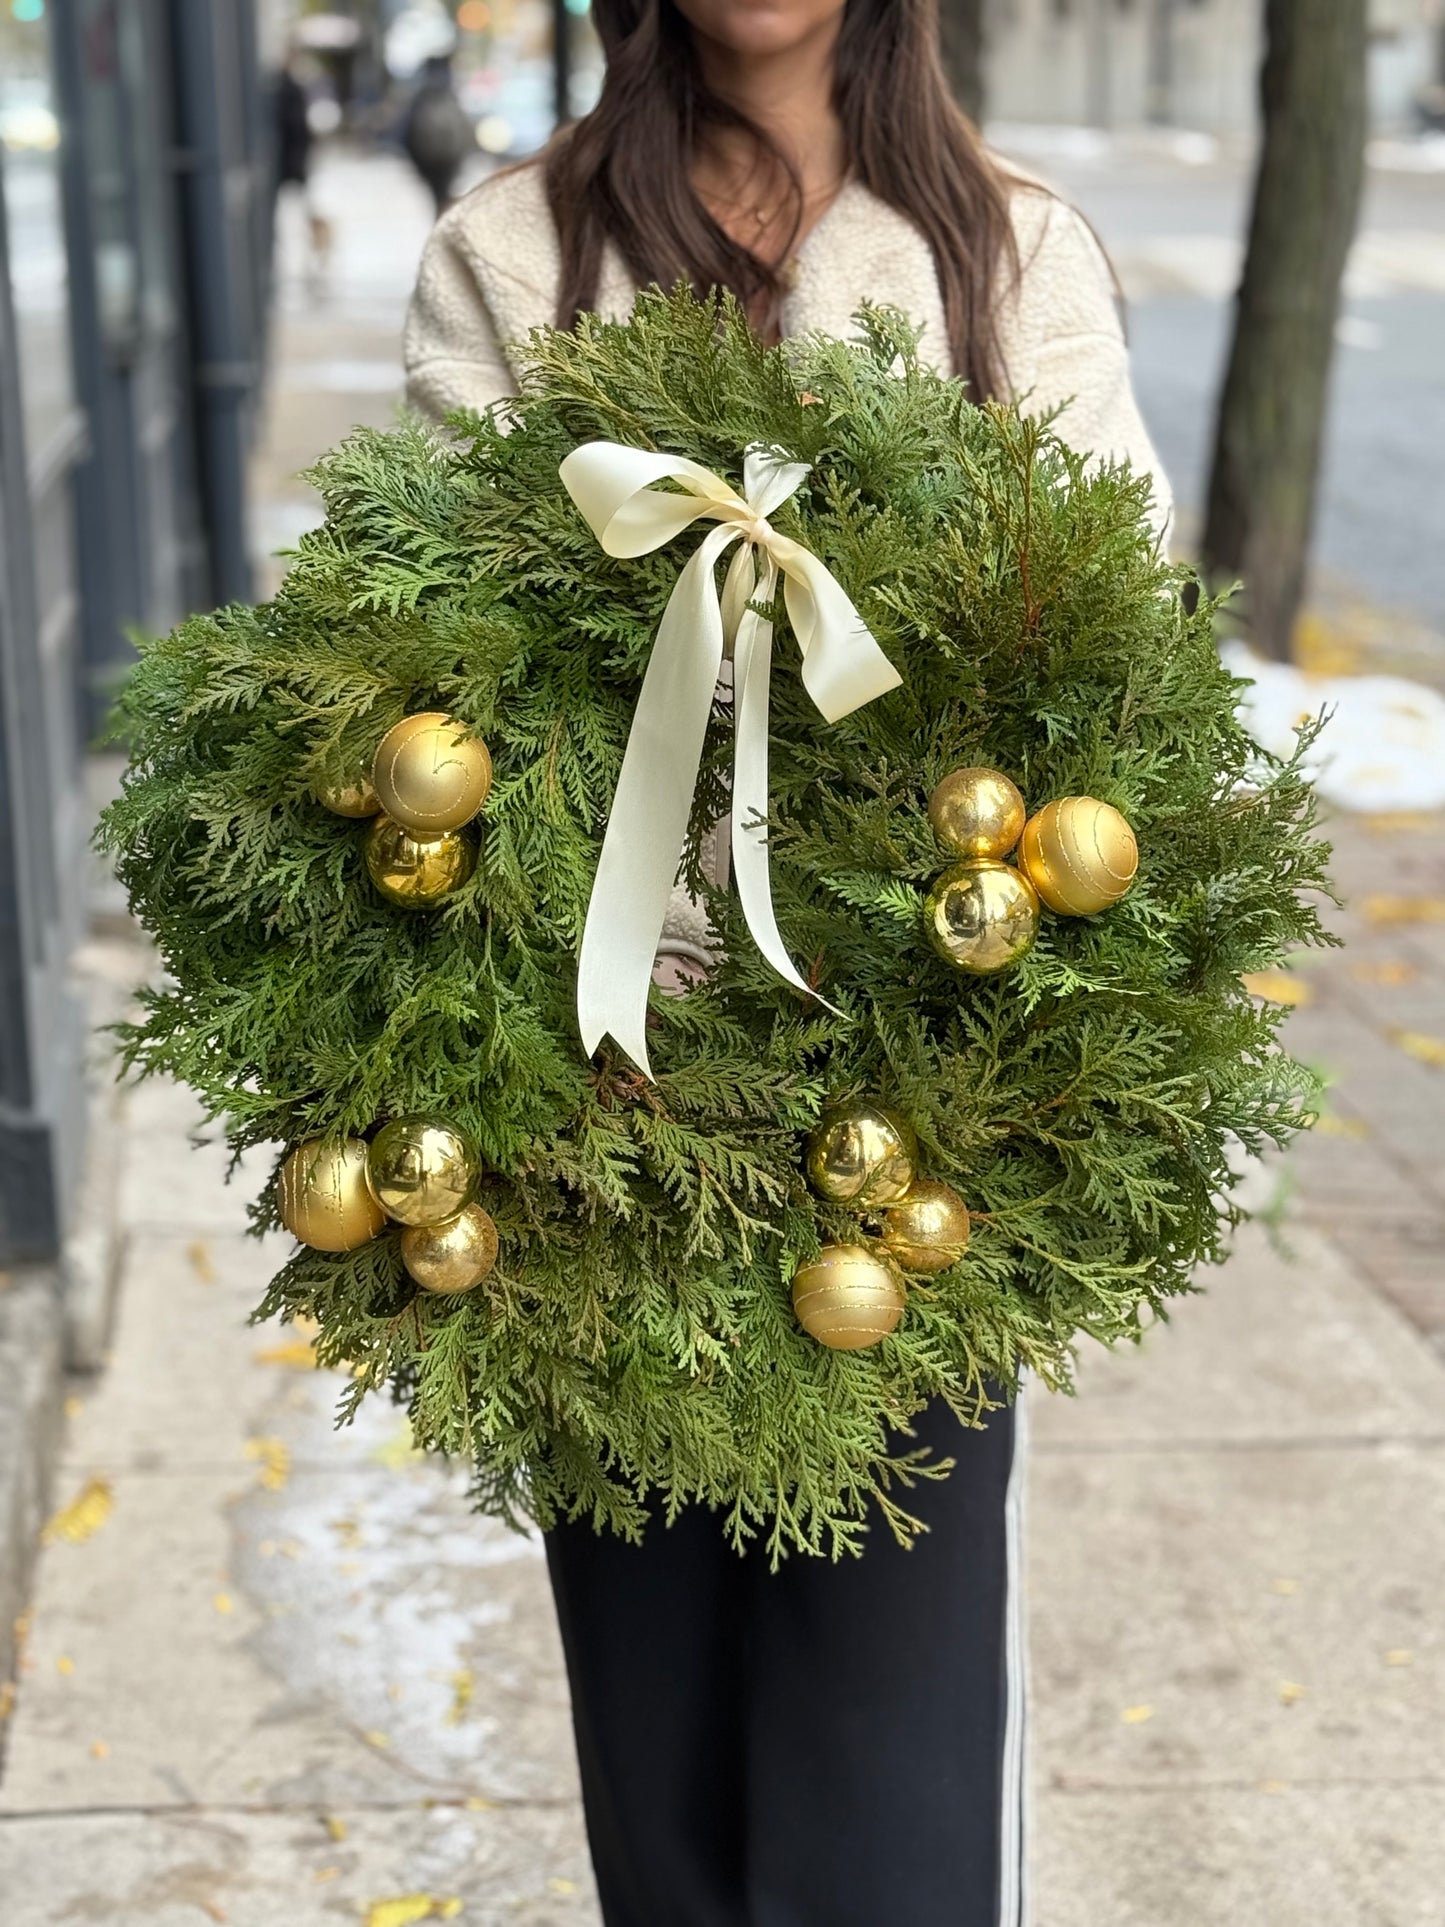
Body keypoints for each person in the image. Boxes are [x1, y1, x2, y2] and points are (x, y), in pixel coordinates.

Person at [403, 4, 1170, 1923]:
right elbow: (424, 668)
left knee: (890, 1814)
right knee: (665, 1811)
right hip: (606, 1142)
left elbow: (1115, 676)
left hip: (909, 1163)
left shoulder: (1005, 255)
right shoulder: (518, 257)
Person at [402, 52, 475, 217]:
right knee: (442, 194)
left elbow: (407, 132)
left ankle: (441, 218)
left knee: (439, 195)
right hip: (445, 158)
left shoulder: (422, 95)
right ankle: (442, 218)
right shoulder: (448, 93)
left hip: (435, 158)